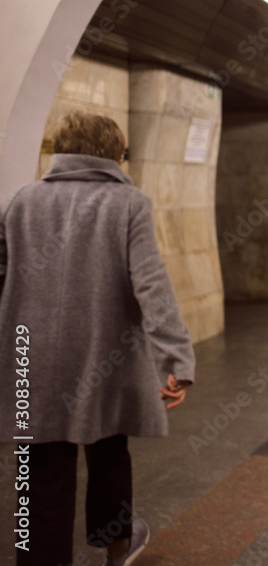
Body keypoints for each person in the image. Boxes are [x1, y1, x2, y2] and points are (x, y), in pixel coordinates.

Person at [0, 112, 195, 566]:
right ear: (113, 154)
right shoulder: (129, 203)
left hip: (33, 361)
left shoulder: (18, 202)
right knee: (109, 453)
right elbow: (151, 284)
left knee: (38, 469)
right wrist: (176, 360)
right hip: (105, 359)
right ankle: (118, 547)